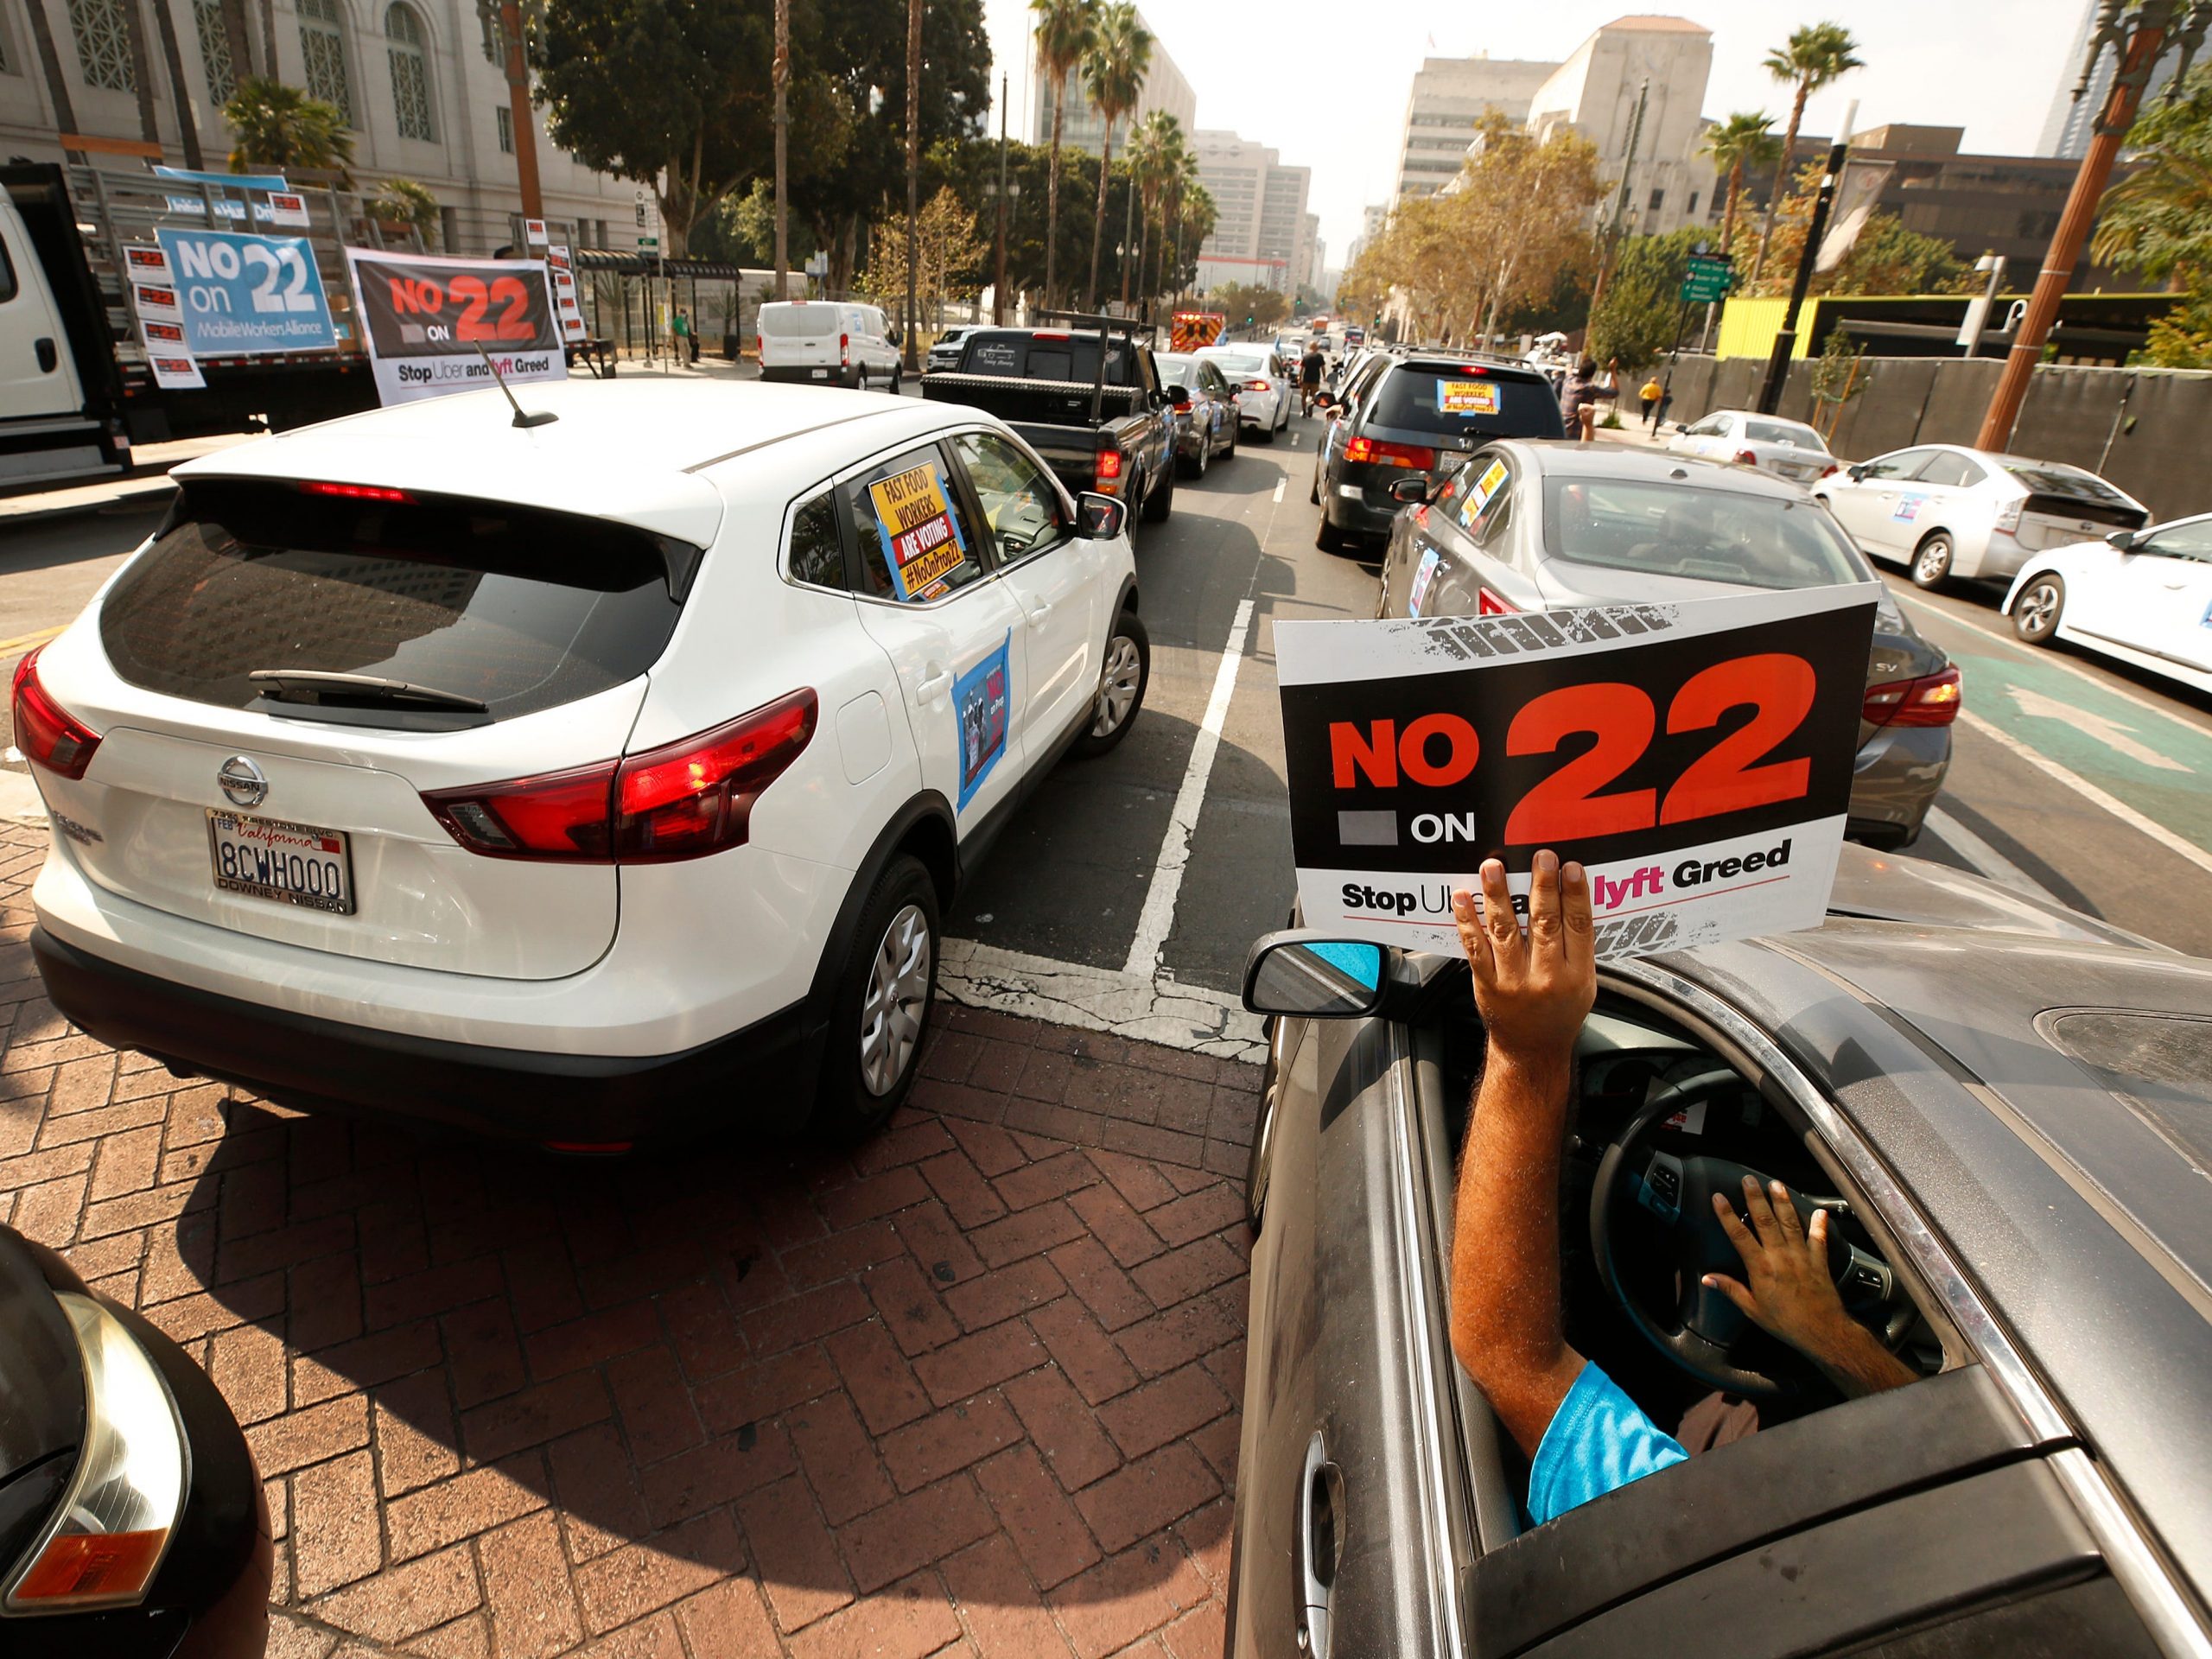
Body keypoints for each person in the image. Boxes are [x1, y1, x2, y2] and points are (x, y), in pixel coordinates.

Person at [1446, 853, 1917, 1526]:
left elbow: (1507, 1354)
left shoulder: (1692, 1524)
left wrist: (1527, 1052)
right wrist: (1832, 1335)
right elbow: (1947, 1429)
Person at [1560, 358, 1604, 441]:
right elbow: (1614, 392)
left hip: (1560, 430)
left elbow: (1568, 372)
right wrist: (1613, 370)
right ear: (1593, 373)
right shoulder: (1590, 389)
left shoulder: (1569, 381)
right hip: (1575, 435)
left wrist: (1569, 367)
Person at [1300, 341, 1326, 416]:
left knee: (1303, 396)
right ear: (1317, 348)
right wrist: (1324, 377)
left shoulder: (1306, 356)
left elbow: (1302, 369)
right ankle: (1311, 405)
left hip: (1306, 379)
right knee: (1314, 396)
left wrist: (1300, 379)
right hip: (1315, 380)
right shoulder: (1320, 357)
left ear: (1310, 347)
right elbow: (1323, 368)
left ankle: (1304, 411)